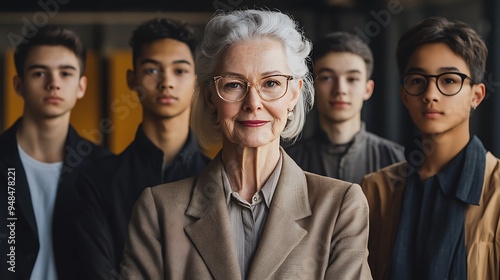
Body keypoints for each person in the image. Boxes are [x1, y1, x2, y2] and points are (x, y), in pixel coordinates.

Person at [120, 9, 372, 279]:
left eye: (272, 83)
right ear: (209, 97)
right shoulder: (158, 209)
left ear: (294, 95)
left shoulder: (339, 206)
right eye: (234, 85)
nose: (253, 103)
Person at [69, 17, 211, 280]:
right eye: (152, 70)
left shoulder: (219, 178)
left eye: (179, 70)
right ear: (132, 79)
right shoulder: (97, 182)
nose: (166, 82)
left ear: (197, 81)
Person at [361, 17, 500, 280]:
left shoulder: (497, 190)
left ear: (476, 96)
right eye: (417, 80)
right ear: (404, 95)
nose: (430, 94)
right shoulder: (376, 190)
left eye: (448, 80)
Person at [0, 26, 111, 280]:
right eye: (39, 73)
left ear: (81, 86)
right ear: (18, 84)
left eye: (66, 73)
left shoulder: (105, 169)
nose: (53, 84)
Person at [286, 32, 404, 184]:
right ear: (312, 87)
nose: (340, 89)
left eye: (352, 79)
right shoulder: (288, 164)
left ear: (368, 89)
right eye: (327, 77)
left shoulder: (399, 162)